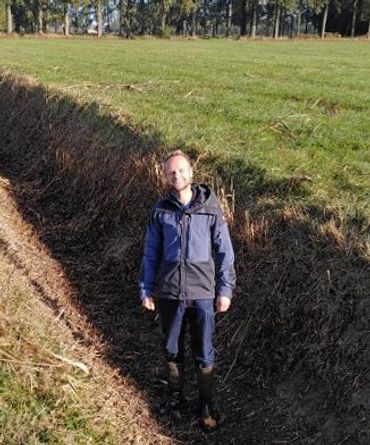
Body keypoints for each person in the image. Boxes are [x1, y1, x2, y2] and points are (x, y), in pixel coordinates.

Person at [139, 150, 236, 431]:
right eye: (171, 172)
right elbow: (150, 253)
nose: (176, 176)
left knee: (204, 349)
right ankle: (175, 398)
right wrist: (146, 288)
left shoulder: (210, 209)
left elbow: (224, 251)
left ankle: (206, 403)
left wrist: (225, 289)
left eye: (181, 171)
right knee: (171, 347)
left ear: (191, 173)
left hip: (203, 292)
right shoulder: (160, 211)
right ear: (164, 175)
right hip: (169, 292)